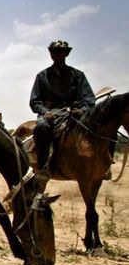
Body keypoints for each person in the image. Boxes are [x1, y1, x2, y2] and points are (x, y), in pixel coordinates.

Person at [29, 40, 95, 170]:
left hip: (75, 113)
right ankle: (43, 168)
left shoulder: (78, 75)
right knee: (41, 127)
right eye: (54, 52)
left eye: (61, 52)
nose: (58, 55)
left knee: (100, 126)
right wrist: (44, 111)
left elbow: (89, 98)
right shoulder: (42, 76)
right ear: (51, 54)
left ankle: (104, 165)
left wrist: (82, 110)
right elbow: (34, 101)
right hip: (50, 113)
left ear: (66, 54)